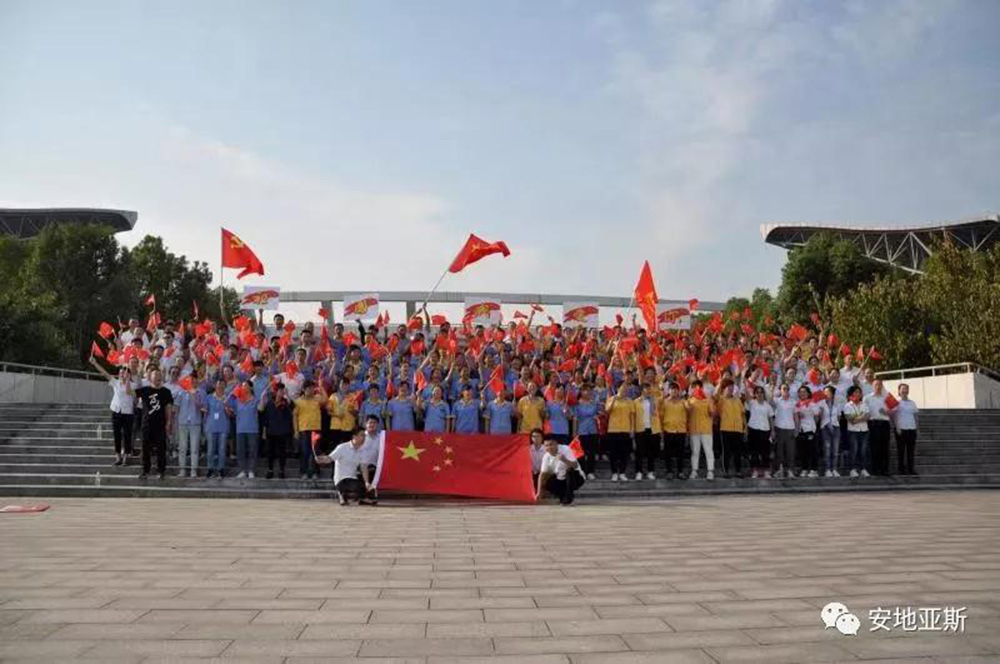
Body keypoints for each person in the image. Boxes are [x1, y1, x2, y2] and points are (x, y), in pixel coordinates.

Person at [89, 357, 135, 466]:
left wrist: (128, 380)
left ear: (128, 374)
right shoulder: (115, 382)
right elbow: (105, 373)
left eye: (124, 373)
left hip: (128, 413)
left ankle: (126, 456)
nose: (122, 374)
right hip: (116, 411)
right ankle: (118, 456)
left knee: (127, 435)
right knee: (117, 434)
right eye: (120, 373)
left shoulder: (133, 385)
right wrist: (95, 363)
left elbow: (128, 392)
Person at [134, 369, 174, 480]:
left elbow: (168, 407)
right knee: (145, 448)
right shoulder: (145, 390)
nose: (158, 377)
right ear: (150, 377)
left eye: (159, 375)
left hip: (160, 425)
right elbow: (129, 392)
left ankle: (161, 471)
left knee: (161, 448)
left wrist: (169, 422)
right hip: (146, 424)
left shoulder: (166, 391)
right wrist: (128, 379)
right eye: (155, 375)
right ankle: (145, 470)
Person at [320, 428, 375, 506]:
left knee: (365, 487)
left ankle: (352, 497)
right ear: (354, 436)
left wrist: (367, 482)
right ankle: (343, 495)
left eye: (364, 436)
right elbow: (330, 459)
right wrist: (321, 459)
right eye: (361, 435)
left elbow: (364, 467)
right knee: (353, 487)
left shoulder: (364, 451)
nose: (364, 438)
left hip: (353, 479)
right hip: (341, 479)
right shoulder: (342, 447)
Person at [535, 438, 586, 505]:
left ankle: (569, 498)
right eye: (546, 446)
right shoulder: (546, 456)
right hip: (560, 479)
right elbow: (542, 474)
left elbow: (575, 465)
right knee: (547, 481)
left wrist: (564, 459)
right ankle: (562, 497)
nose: (549, 447)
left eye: (551, 445)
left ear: (557, 444)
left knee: (569, 471)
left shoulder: (565, 449)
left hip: (576, 477)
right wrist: (539, 492)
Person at [259, 381, 293, 479]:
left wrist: (287, 395)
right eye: (280, 390)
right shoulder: (269, 403)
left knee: (282, 453)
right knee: (270, 452)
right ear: (276, 391)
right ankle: (270, 470)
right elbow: (263, 414)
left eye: (283, 390)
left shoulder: (285, 402)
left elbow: (292, 406)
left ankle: (281, 470)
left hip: (282, 432)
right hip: (271, 432)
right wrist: (264, 431)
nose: (281, 392)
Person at [228, 379, 261, 479]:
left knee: (252, 451)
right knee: (240, 451)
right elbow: (230, 409)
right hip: (240, 429)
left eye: (246, 385)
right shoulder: (237, 400)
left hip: (252, 429)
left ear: (251, 387)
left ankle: (251, 470)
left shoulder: (256, 400)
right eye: (242, 386)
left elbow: (261, 408)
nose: (244, 387)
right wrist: (232, 394)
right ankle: (242, 470)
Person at [294, 380, 325, 480]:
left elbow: (325, 400)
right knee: (304, 452)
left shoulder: (317, 398)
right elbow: (294, 417)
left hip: (316, 429)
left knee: (315, 452)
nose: (311, 390)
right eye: (308, 388)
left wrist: (321, 387)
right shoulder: (298, 401)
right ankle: (303, 472)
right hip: (304, 429)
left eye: (312, 388)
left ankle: (315, 472)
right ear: (304, 389)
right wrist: (296, 431)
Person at [173, 377, 203, 478]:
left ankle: (193, 470)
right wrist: (176, 422)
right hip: (183, 422)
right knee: (182, 447)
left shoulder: (200, 392)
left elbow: (201, 406)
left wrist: (193, 394)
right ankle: (182, 469)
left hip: (195, 423)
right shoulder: (181, 393)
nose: (192, 383)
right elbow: (176, 407)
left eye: (194, 381)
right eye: (190, 381)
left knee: (194, 448)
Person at [605, 383, 635, 481]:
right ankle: (614, 473)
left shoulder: (630, 401)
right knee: (613, 453)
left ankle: (622, 472)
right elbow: (607, 411)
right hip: (613, 430)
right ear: (618, 388)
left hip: (625, 430)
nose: (625, 389)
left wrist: (632, 429)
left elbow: (632, 416)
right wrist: (613, 400)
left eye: (626, 388)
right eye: (623, 387)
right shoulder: (611, 399)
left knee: (624, 453)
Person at [687, 380, 715, 480]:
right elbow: (687, 411)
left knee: (708, 451)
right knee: (695, 451)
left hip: (706, 430)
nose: (697, 388)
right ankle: (694, 471)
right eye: (694, 387)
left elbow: (712, 413)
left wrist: (711, 407)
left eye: (699, 387)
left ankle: (710, 471)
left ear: (702, 388)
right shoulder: (689, 400)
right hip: (694, 430)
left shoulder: (708, 400)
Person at [717, 380, 746, 478]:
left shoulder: (737, 400)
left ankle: (738, 471)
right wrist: (720, 385)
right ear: (724, 389)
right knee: (726, 451)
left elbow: (742, 414)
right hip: (725, 428)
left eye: (732, 387)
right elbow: (715, 400)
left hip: (738, 429)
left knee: (738, 451)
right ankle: (726, 471)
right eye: (728, 387)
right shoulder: (721, 399)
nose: (731, 389)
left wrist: (745, 428)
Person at [660, 382, 688, 480]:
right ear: (669, 391)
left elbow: (689, 410)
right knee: (668, 453)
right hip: (668, 430)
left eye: (676, 390)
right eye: (672, 390)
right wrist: (661, 431)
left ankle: (680, 472)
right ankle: (669, 472)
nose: (674, 391)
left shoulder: (683, 402)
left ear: (679, 391)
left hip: (681, 430)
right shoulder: (664, 402)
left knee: (680, 453)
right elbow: (661, 417)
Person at [633, 382, 661, 480]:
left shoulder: (654, 401)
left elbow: (657, 414)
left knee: (651, 453)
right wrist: (633, 430)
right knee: (639, 453)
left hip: (652, 429)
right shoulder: (636, 402)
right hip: (640, 429)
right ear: (642, 390)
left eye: (649, 389)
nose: (649, 390)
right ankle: (639, 472)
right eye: (646, 389)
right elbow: (633, 416)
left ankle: (650, 471)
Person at [203, 379, 230, 479]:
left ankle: (221, 469)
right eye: (219, 384)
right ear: (215, 386)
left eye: (223, 384)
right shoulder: (209, 397)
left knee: (222, 449)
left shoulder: (228, 397)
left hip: (223, 426)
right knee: (210, 449)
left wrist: (227, 407)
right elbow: (205, 411)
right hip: (211, 426)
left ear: (225, 386)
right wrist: (205, 425)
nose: (220, 386)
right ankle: (210, 468)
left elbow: (230, 414)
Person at [572, 385, 600, 480]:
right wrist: (574, 432)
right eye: (585, 390)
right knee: (581, 453)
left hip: (592, 430)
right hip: (581, 431)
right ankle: (582, 471)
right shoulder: (577, 405)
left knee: (591, 453)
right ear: (581, 392)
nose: (587, 392)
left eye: (589, 390)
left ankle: (590, 472)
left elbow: (599, 414)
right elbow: (575, 419)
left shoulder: (594, 403)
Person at [745, 385, 773, 479]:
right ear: (755, 394)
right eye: (757, 392)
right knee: (754, 452)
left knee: (765, 452)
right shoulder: (751, 403)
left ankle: (766, 471)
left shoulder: (767, 405)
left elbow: (771, 419)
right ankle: (755, 471)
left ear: (764, 394)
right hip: (753, 429)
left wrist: (773, 431)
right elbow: (746, 395)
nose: (759, 394)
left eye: (761, 392)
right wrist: (744, 381)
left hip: (765, 430)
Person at [865, 379, 892, 476]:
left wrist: (886, 412)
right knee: (874, 447)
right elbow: (864, 411)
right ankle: (875, 469)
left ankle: (885, 469)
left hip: (885, 423)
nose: (878, 386)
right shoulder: (867, 398)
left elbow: (892, 412)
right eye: (876, 385)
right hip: (873, 424)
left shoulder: (887, 397)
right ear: (872, 386)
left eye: (880, 384)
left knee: (885, 447)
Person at [843, 385, 871, 478]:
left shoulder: (864, 404)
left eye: (859, 392)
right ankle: (852, 469)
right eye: (855, 392)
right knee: (854, 450)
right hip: (853, 431)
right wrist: (862, 416)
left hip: (864, 430)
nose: (857, 394)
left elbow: (867, 416)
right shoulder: (847, 405)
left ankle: (863, 469)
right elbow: (851, 420)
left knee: (863, 450)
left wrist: (857, 417)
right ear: (851, 394)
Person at [794, 386, 820, 478]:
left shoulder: (812, 403)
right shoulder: (797, 404)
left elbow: (816, 416)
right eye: (801, 392)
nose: (802, 394)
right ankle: (804, 469)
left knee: (812, 450)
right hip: (801, 430)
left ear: (808, 393)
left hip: (810, 429)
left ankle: (814, 470)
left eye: (804, 392)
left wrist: (813, 427)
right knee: (803, 451)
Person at [772, 383, 797, 479]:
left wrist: (796, 429)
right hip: (779, 427)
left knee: (791, 451)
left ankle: (790, 470)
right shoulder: (777, 401)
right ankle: (779, 470)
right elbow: (769, 401)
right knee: (779, 451)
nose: (786, 390)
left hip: (790, 428)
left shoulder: (793, 402)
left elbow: (796, 416)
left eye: (787, 389)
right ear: (780, 390)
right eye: (784, 389)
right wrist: (772, 388)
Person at [894, 383, 919, 475]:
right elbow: (894, 416)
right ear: (899, 391)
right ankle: (901, 469)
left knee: (910, 451)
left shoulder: (912, 403)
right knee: (901, 450)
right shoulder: (896, 402)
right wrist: (897, 427)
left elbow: (915, 416)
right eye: (902, 389)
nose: (904, 391)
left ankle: (911, 469)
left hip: (912, 429)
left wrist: (917, 428)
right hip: (901, 429)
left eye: (906, 389)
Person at [821, 385, 842, 477]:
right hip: (825, 427)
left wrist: (834, 423)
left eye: (828, 392)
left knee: (835, 450)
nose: (826, 394)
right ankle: (827, 469)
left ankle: (834, 469)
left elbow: (839, 416)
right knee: (827, 449)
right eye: (824, 392)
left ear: (832, 394)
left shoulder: (837, 404)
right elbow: (820, 416)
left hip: (835, 427)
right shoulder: (821, 403)